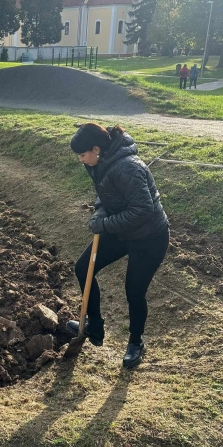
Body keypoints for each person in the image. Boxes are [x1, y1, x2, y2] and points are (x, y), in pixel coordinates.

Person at [66, 123, 169, 368]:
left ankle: (135, 342)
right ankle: (95, 327)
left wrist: (106, 224)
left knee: (133, 291)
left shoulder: (127, 167)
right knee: (83, 268)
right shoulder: (100, 162)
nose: (81, 160)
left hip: (149, 237)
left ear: (96, 148)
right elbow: (105, 195)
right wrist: (99, 213)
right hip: (122, 230)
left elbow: (143, 210)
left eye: (83, 155)